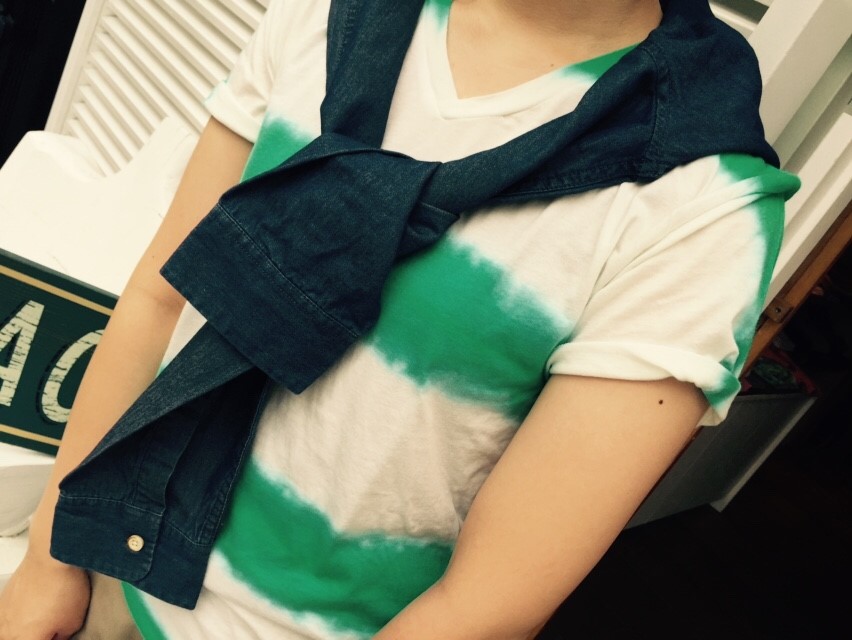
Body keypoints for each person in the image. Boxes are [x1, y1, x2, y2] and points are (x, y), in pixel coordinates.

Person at [0, 0, 799, 638]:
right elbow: (162, 299)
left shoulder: (700, 207)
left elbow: (488, 603)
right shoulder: (326, 17)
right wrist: (47, 558)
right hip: (113, 561)